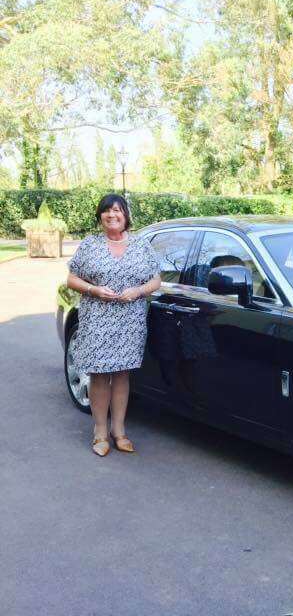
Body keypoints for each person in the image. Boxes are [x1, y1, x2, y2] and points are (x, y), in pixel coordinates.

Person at [65, 194, 161, 456]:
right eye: (106, 211)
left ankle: (119, 431)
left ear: (125, 215)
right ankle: (100, 432)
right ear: (100, 217)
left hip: (130, 320)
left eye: (117, 210)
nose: (111, 215)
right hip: (97, 319)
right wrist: (94, 289)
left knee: (121, 374)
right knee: (99, 374)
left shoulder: (141, 245)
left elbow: (156, 280)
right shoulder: (90, 245)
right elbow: (71, 279)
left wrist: (139, 291)